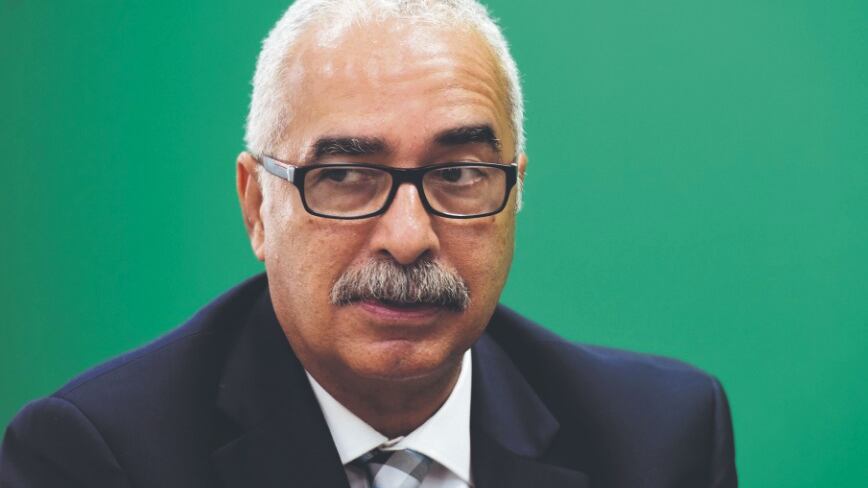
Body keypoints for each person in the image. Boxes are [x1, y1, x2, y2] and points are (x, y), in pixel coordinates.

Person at [0, 1, 737, 487]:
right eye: (346, 177)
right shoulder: (99, 459)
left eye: (459, 174)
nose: (409, 238)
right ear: (258, 208)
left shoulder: (659, 441)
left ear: (515, 191)